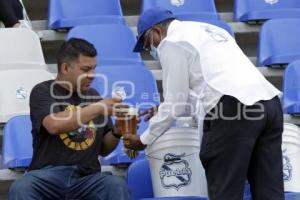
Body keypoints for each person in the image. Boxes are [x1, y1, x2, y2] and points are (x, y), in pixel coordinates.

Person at [124, 8, 284, 200]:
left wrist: (143, 139)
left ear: (156, 32)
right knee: (270, 192)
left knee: (225, 192)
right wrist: (163, 109)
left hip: (234, 112)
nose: (150, 51)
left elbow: (177, 102)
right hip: (269, 104)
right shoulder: (211, 30)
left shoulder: (171, 42)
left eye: (147, 44)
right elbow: (211, 88)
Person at [9, 38, 131, 200]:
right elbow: (53, 125)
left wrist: (117, 130)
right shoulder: (43, 91)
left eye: (94, 69)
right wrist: (98, 107)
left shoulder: (94, 96)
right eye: (86, 69)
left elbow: (104, 148)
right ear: (65, 68)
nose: (92, 75)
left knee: (115, 184)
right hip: (47, 177)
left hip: (87, 178)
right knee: (22, 187)